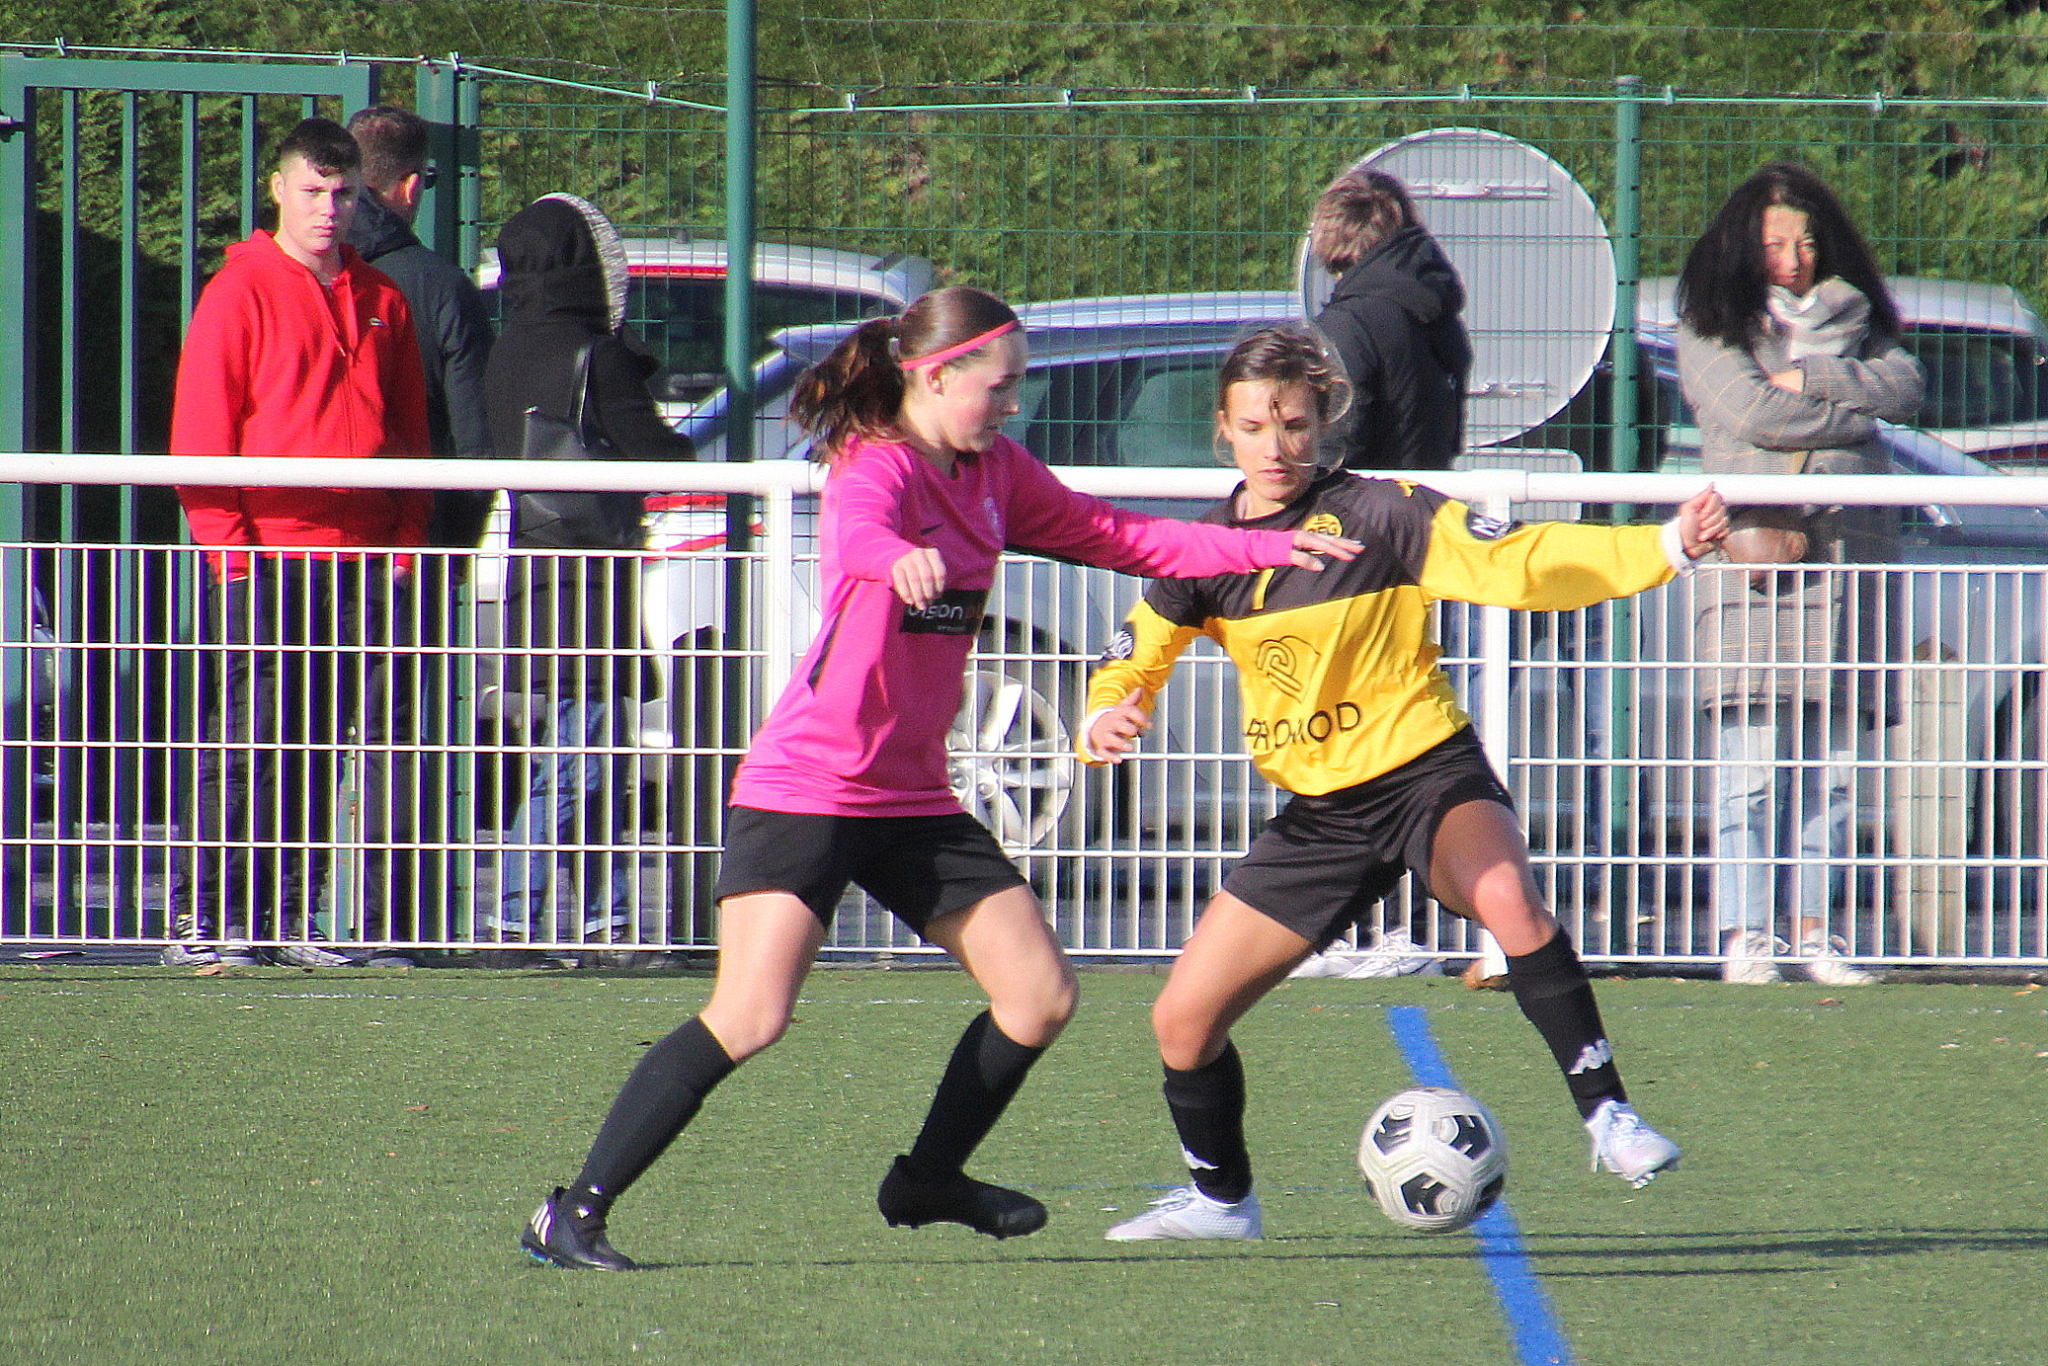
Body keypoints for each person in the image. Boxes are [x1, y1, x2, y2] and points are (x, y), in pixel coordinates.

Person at [516, 285, 1363, 1270]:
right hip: (811, 787)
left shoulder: (996, 471)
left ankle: (925, 1178)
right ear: (930, 376)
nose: (1011, 403)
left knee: (1038, 995)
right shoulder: (873, 463)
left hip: (912, 795)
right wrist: (894, 559)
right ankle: (571, 1213)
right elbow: (859, 533)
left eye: (1016, 385)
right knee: (750, 1016)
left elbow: (1123, 536)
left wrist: (1265, 546)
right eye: (996, 386)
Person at [1080, 325, 1725, 1241]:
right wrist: (1105, 714)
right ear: (1223, 429)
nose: (1276, 446)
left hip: (1427, 775)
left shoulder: (1384, 512)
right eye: (1255, 427)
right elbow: (1133, 656)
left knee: (1509, 900)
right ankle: (1223, 1202)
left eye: (1295, 425)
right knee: (1182, 1022)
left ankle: (1609, 1116)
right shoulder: (1206, 551)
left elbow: (1519, 562)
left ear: (1322, 425)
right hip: (1322, 816)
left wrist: (1663, 547)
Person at [165, 117, 431, 968]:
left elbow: (412, 436)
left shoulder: (384, 298)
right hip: (266, 556)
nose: (328, 209)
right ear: (277, 190)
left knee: (320, 745)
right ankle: (202, 917)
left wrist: (403, 542)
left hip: (361, 562)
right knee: (247, 739)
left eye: (343, 193)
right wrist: (230, 551)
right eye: (313, 190)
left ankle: (289, 917)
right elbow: (201, 438)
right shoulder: (236, 292)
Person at [1676, 163, 1925, 986]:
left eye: (1808, 242)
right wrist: (1853, 419)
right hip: (1750, 568)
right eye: (1777, 243)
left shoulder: (1854, 315)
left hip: (1849, 562)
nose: (1795, 260)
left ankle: (1816, 936)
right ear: (1742, 246)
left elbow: (1908, 385)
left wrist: (1812, 378)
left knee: (1835, 771)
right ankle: (1747, 937)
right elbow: (1748, 410)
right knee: (1748, 769)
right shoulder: (1710, 321)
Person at [481, 193, 693, 964]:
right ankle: (513, 918)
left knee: (590, 753)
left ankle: (608, 921)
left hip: (535, 572)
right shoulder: (593, 354)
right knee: (582, 758)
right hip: (593, 579)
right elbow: (654, 451)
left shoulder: (505, 350)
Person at [345, 104, 497, 962]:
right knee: (392, 733)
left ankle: (266, 915)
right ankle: (389, 925)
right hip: (409, 549)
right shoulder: (437, 285)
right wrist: (451, 549)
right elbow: (474, 444)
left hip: (291, 542)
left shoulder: (286, 275)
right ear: (408, 186)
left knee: (280, 729)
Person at [1308, 167, 1471, 472]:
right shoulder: (1435, 310)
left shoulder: (1350, 324)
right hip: (1428, 489)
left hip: (1366, 497)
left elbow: (1337, 445)